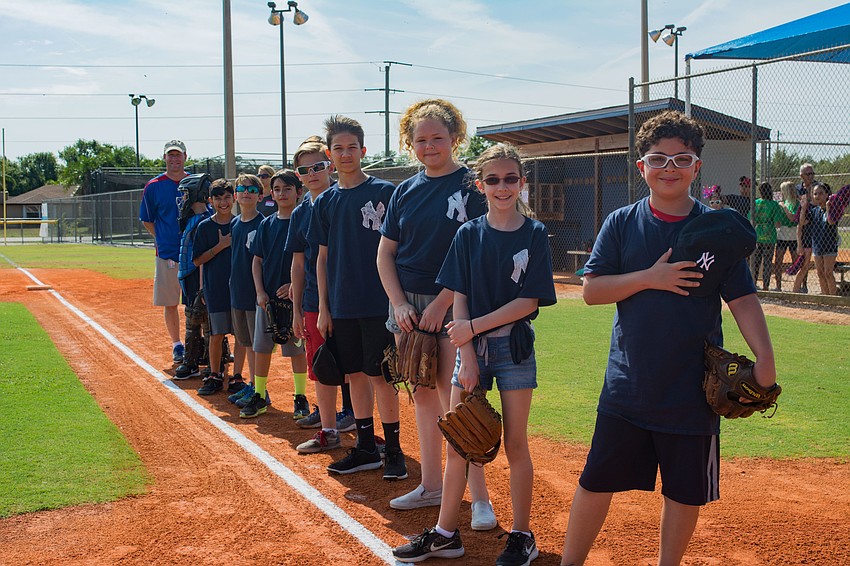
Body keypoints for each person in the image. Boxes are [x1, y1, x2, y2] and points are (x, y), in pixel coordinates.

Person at [558, 111, 776, 566]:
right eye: (658, 159)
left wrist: (765, 359)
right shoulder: (622, 222)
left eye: (682, 159)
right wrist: (650, 277)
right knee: (596, 481)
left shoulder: (718, 230)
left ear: (697, 167)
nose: (669, 168)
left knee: (684, 492)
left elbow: (743, 300)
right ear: (642, 167)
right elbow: (592, 291)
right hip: (628, 387)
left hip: (692, 390)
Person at [392, 143, 557, 564]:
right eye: (493, 180)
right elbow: (460, 296)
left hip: (513, 348)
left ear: (522, 183)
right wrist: (466, 355)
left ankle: (522, 536)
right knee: (458, 444)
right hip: (470, 350)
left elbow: (528, 303)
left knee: (516, 444)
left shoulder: (535, 233)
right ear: (480, 186)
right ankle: (446, 533)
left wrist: (472, 330)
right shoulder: (468, 233)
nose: (502, 187)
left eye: (510, 179)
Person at [376, 99, 495, 525]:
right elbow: (385, 254)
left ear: (455, 137)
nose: (429, 146)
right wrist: (399, 303)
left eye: (438, 138)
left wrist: (442, 303)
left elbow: (478, 256)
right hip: (408, 306)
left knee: (456, 401)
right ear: (410, 144)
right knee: (423, 395)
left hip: (455, 302)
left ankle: (479, 498)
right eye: (421, 140)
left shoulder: (472, 186)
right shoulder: (405, 190)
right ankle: (431, 485)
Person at [309, 115, 407, 478]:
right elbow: (321, 259)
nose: (346, 154)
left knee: (382, 375)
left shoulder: (385, 192)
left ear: (363, 151)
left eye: (352, 147)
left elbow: (399, 249)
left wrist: (398, 300)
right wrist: (324, 307)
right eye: (338, 148)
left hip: (380, 302)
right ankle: (366, 448)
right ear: (329, 155)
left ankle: (393, 450)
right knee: (354, 375)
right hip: (342, 303)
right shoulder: (324, 201)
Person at [286, 138, 357, 452]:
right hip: (315, 299)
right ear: (298, 175)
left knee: (358, 367)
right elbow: (298, 263)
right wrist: (297, 310)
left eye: (318, 166)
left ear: (330, 165)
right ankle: (329, 429)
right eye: (305, 170)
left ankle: (359, 423)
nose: (312, 173)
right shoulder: (301, 213)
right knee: (322, 365)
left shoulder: (344, 199)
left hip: (351, 296)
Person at [238, 170, 310, 418]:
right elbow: (257, 261)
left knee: (296, 350)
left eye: (287, 189)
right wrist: (260, 291)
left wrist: (294, 285)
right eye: (277, 189)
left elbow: (308, 261)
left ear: (299, 192)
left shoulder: (304, 221)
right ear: (271, 193)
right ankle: (259, 394)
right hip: (268, 299)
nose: (282, 194)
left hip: (294, 300)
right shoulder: (266, 224)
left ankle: (300, 397)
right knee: (261, 348)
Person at [139, 139, 189, 363]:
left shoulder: (194, 182)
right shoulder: (154, 186)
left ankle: (199, 343)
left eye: (178, 154)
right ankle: (177, 344)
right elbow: (147, 219)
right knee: (171, 302)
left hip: (194, 253)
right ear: (164, 158)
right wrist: (162, 238)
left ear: (185, 157)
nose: (174, 159)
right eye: (171, 155)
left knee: (197, 303)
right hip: (167, 252)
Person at [192, 179, 235, 395]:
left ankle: (237, 377)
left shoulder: (240, 224)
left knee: (242, 336)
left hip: (239, 289)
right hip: (216, 288)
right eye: (218, 198)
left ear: (234, 198)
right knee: (216, 334)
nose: (223, 202)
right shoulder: (205, 227)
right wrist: (220, 246)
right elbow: (197, 260)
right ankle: (215, 374)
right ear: (210, 201)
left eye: (227, 197)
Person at [174, 175, 213, 379]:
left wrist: (202, 286)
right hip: (189, 275)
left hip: (197, 276)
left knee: (198, 319)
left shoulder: (203, 221)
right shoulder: (194, 219)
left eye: (186, 194)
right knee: (197, 317)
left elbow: (202, 258)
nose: (183, 199)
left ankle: (193, 362)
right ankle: (206, 358)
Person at [750, 181, 785, 291]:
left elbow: (750, 218)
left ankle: (753, 283)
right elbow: (777, 223)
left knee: (756, 261)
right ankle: (766, 286)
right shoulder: (774, 204)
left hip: (757, 234)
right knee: (767, 262)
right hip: (769, 236)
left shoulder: (756, 203)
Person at [810, 183, 839, 296]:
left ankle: (833, 298)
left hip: (829, 245)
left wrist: (828, 207)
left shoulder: (833, 209)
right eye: (815, 194)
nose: (817, 196)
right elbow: (802, 222)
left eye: (820, 193)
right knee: (820, 273)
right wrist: (803, 207)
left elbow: (831, 222)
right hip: (817, 245)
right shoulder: (814, 210)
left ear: (827, 195)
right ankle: (825, 296)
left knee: (828, 273)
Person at [792, 163, 818, 293]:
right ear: (801, 175)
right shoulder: (797, 189)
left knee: (821, 265)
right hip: (805, 230)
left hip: (818, 230)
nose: (811, 176)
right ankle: (799, 288)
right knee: (804, 263)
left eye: (812, 173)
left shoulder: (819, 187)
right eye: (808, 174)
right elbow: (800, 223)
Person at [773, 181, 799, 292]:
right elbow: (778, 223)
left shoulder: (796, 203)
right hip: (782, 234)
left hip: (793, 234)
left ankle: (800, 286)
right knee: (778, 260)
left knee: (796, 261)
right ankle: (778, 286)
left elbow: (792, 218)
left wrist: (784, 207)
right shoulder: (783, 203)